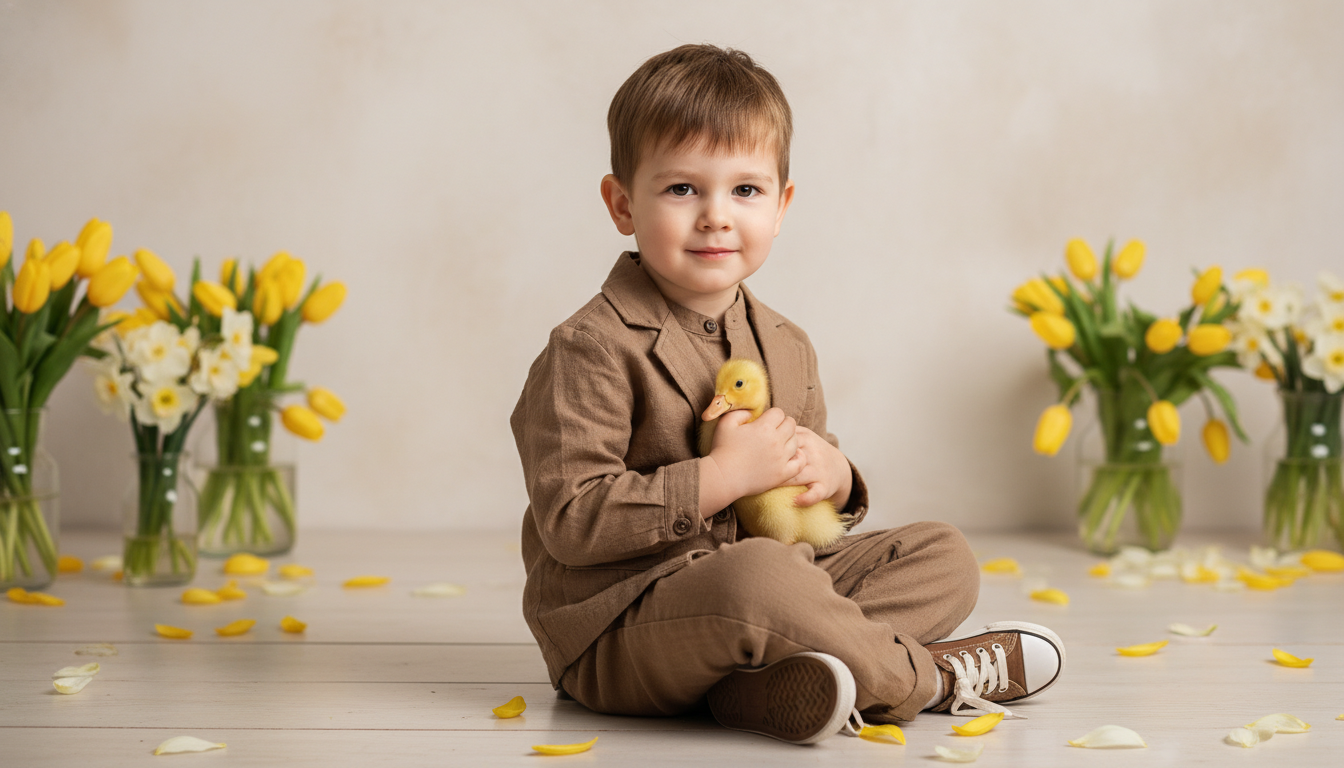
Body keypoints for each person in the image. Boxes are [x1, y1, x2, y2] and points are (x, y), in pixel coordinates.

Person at [510, 43, 1065, 745]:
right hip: (625, 626)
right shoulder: (589, 348)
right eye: (682, 189)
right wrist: (720, 477)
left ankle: (758, 690)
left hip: (771, 590)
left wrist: (834, 476)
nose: (716, 216)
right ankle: (929, 679)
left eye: (745, 191)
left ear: (781, 206)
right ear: (623, 204)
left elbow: (800, 510)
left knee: (943, 557)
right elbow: (571, 519)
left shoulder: (786, 343)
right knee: (759, 581)